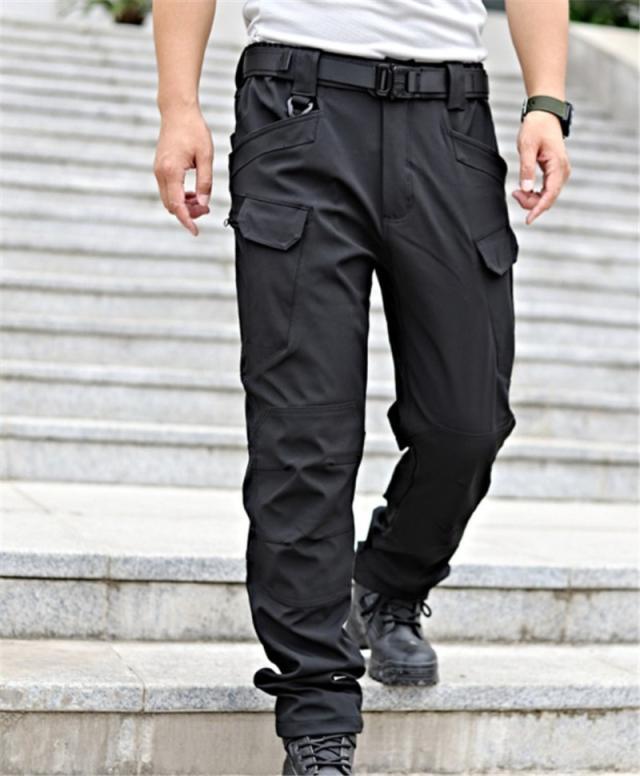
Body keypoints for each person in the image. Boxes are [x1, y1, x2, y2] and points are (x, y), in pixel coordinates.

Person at [153, 1, 572, 773]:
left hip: (450, 120)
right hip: (296, 108)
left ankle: (387, 581)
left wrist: (546, 99)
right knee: (302, 435)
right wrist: (179, 106)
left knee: (468, 423)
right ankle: (318, 719)